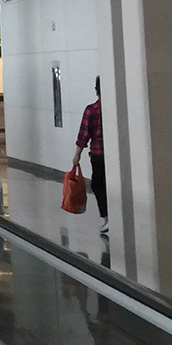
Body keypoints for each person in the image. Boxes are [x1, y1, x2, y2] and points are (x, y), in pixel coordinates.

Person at [73, 77, 108, 235]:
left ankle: (106, 217)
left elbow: (83, 135)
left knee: (97, 184)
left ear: (96, 90)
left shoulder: (92, 110)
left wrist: (77, 155)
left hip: (98, 154)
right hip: (116, 156)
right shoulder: (116, 108)